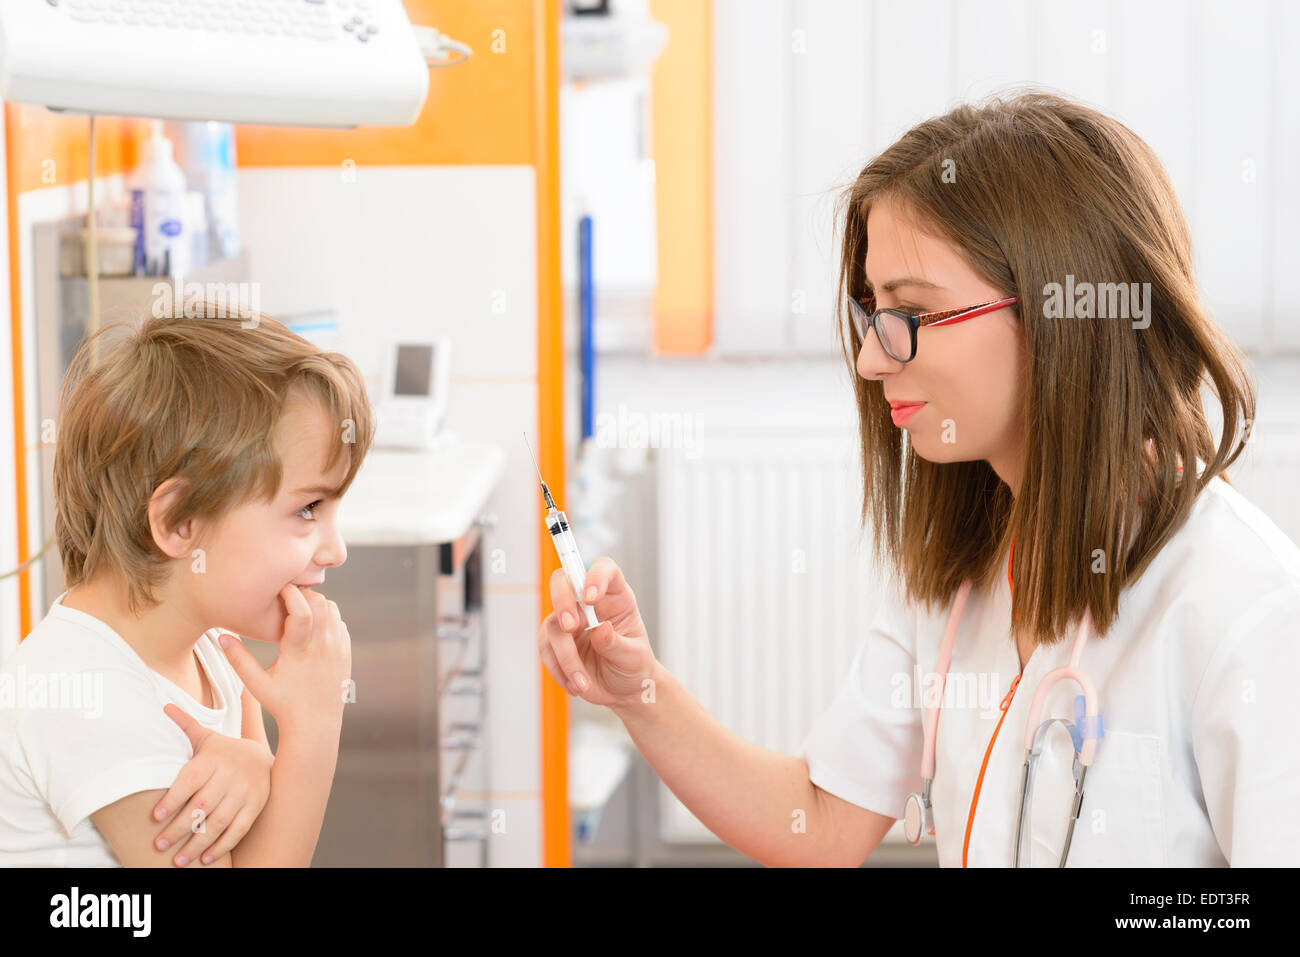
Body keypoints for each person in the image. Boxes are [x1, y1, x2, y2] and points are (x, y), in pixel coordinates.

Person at [537, 90, 1300, 867]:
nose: (871, 359)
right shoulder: (959, 575)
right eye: (872, 313)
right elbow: (819, 820)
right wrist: (639, 692)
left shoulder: (1245, 605)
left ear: (1058, 313)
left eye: (910, 313)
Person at [0, 306, 372, 866]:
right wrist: (314, 729)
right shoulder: (90, 696)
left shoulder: (208, 646)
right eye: (308, 509)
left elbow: (259, 845)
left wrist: (255, 767)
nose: (335, 550)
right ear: (180, 522)